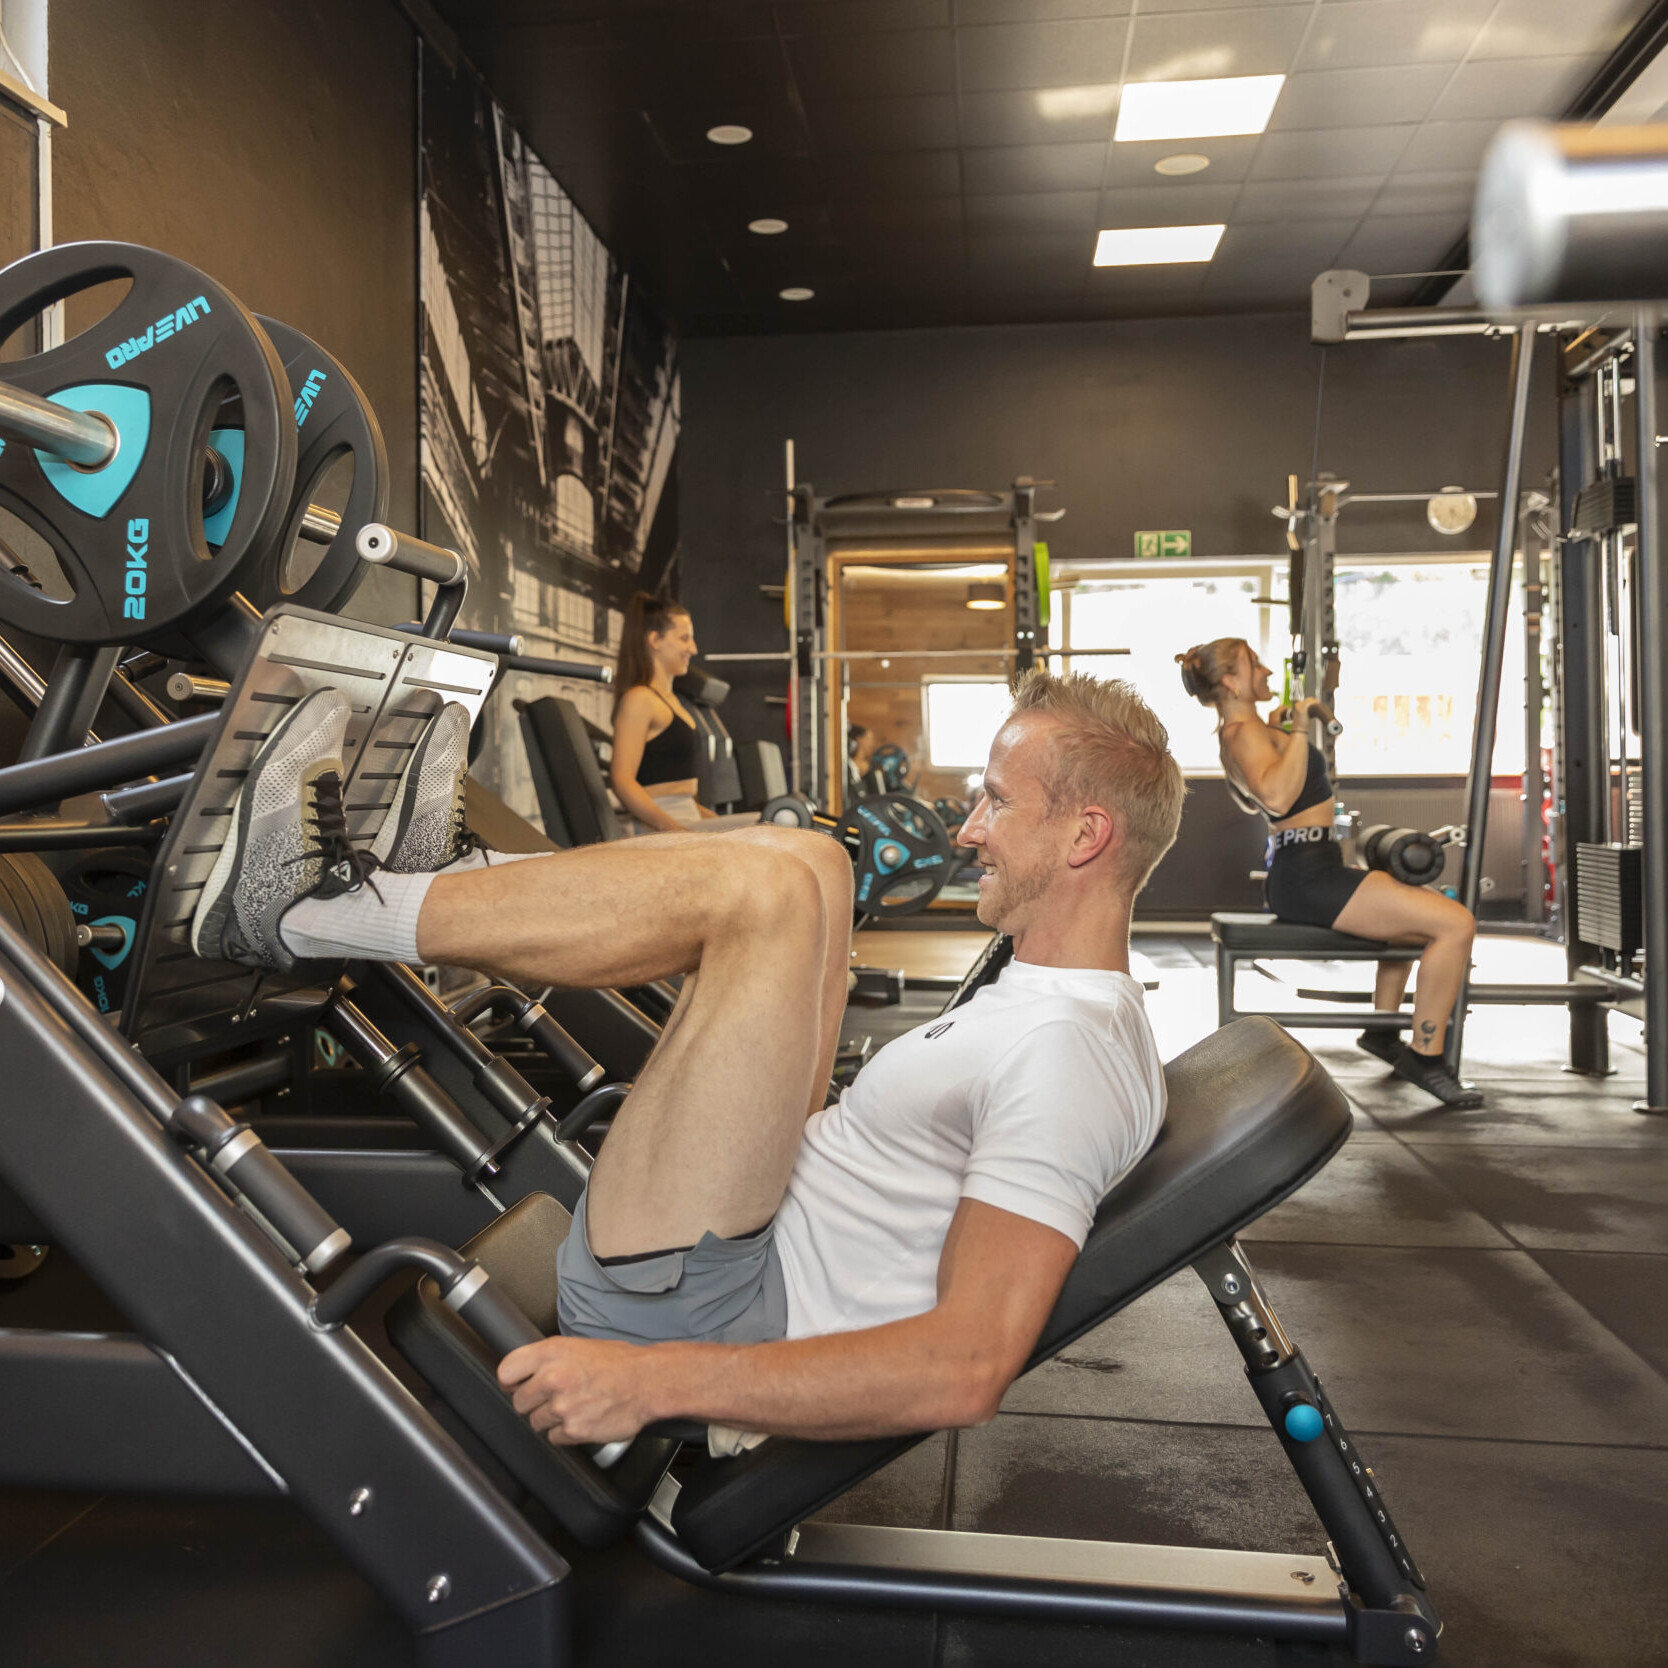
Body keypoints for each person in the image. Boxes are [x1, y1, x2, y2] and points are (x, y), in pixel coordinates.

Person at [192, 669, 1184, 1449]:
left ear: (1085, 836)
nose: (970, 831)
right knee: (815, 863)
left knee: (763, 892)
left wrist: (648, 1382)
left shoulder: (1066, 1059)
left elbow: (966, 1367)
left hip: (699, 1306)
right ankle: (422, 885)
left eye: (997, 805)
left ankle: (309, 915)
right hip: (746, 1235)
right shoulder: (1065, 1007)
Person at [1177, 637, 1481, 1110]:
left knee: (1414, 923)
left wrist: (1278, 734)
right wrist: (1298, 730)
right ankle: (1426, 1056)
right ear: (1232, 682)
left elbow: (1254, 796)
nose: (1266, 672)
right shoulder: (1241, 733)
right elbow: (1276, 799)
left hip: (1306, 867)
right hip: (1307, 876)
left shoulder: (1238, 732)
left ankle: (1383, 1035)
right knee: (1455, 923)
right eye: (1253, 664)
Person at [608, 591, 754, 835]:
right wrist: (674, 829)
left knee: (772, 824)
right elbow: (622, 781)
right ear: (655, 640)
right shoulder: (640, 699)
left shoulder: (670, 700)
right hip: (659, 827)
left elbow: (684, 800)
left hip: (686, 817)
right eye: (685, 639)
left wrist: (722, 826)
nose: (693, 649)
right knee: (774, 824)